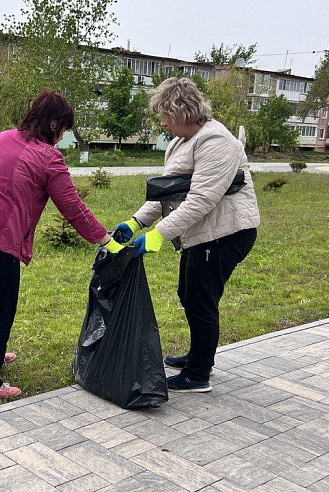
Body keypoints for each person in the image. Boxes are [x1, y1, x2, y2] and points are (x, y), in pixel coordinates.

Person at [0, 89, 124, 399]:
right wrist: (104, 238)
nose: (63, 138)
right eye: (64, 130)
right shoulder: (47, 156)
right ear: (54, 124)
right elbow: (72, 206)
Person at [111, 77, 260, 393]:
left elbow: (202, 200)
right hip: (203, 233)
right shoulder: (182, 141)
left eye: (166, 116)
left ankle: (197, 375)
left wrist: (157, 236)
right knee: (189, 294)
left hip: (226, 233)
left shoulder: (217, 142)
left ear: (183, 113)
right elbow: (168, 192)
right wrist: (136, 223)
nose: (163, 123)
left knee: (200, 300)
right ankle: (198, 355)